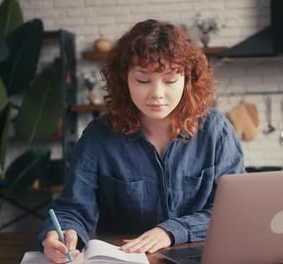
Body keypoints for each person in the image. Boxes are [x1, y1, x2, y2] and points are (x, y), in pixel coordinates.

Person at [39, 19, 245, 263]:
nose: (157, 93)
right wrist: (61, 233)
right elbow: (72, 208)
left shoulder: (216, 131)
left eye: (170, 81)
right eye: (143, 80)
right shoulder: (98, 137)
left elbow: (234, 211)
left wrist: (172, 231)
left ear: (188, 80)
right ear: (124, 80)